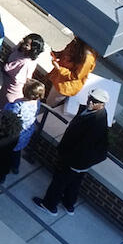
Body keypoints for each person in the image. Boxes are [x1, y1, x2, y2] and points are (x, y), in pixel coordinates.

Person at [34, 87, 110, 216]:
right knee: (74, 182)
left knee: (59, 182)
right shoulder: (94, 113)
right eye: (90, 99)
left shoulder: (97, 122)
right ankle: (69, 204)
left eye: (94, 101)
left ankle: (49, 205)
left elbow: (84, 145)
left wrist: (69, 158)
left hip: (76, 159)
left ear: (102, 104)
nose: (90, 102)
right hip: (79, 160)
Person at [4, 79, 46, 175]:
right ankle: (15, 167)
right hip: (26, 132)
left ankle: (5, 167)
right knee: (17, 151)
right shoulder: (37, 103)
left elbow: (9, 115)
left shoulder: (18, 104)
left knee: (7, 152)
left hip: (14, 133)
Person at [47, 37, 97, 108]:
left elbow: (75, 76)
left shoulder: (88, 58)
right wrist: (58, 54)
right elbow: (66, 52)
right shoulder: (76, 42)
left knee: (50, 103)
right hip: (59, 78)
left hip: (65, 85)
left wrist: (59, 68)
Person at [0, 33, 44, 109]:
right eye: (24, 42)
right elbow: (12, 51)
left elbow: (14, 76)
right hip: (6, 85)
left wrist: (5, 65)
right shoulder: (20, 49)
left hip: (12, 90)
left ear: (33, 49)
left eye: (27, 45)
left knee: (5, 107)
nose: (23, 45)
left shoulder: (26, 63)